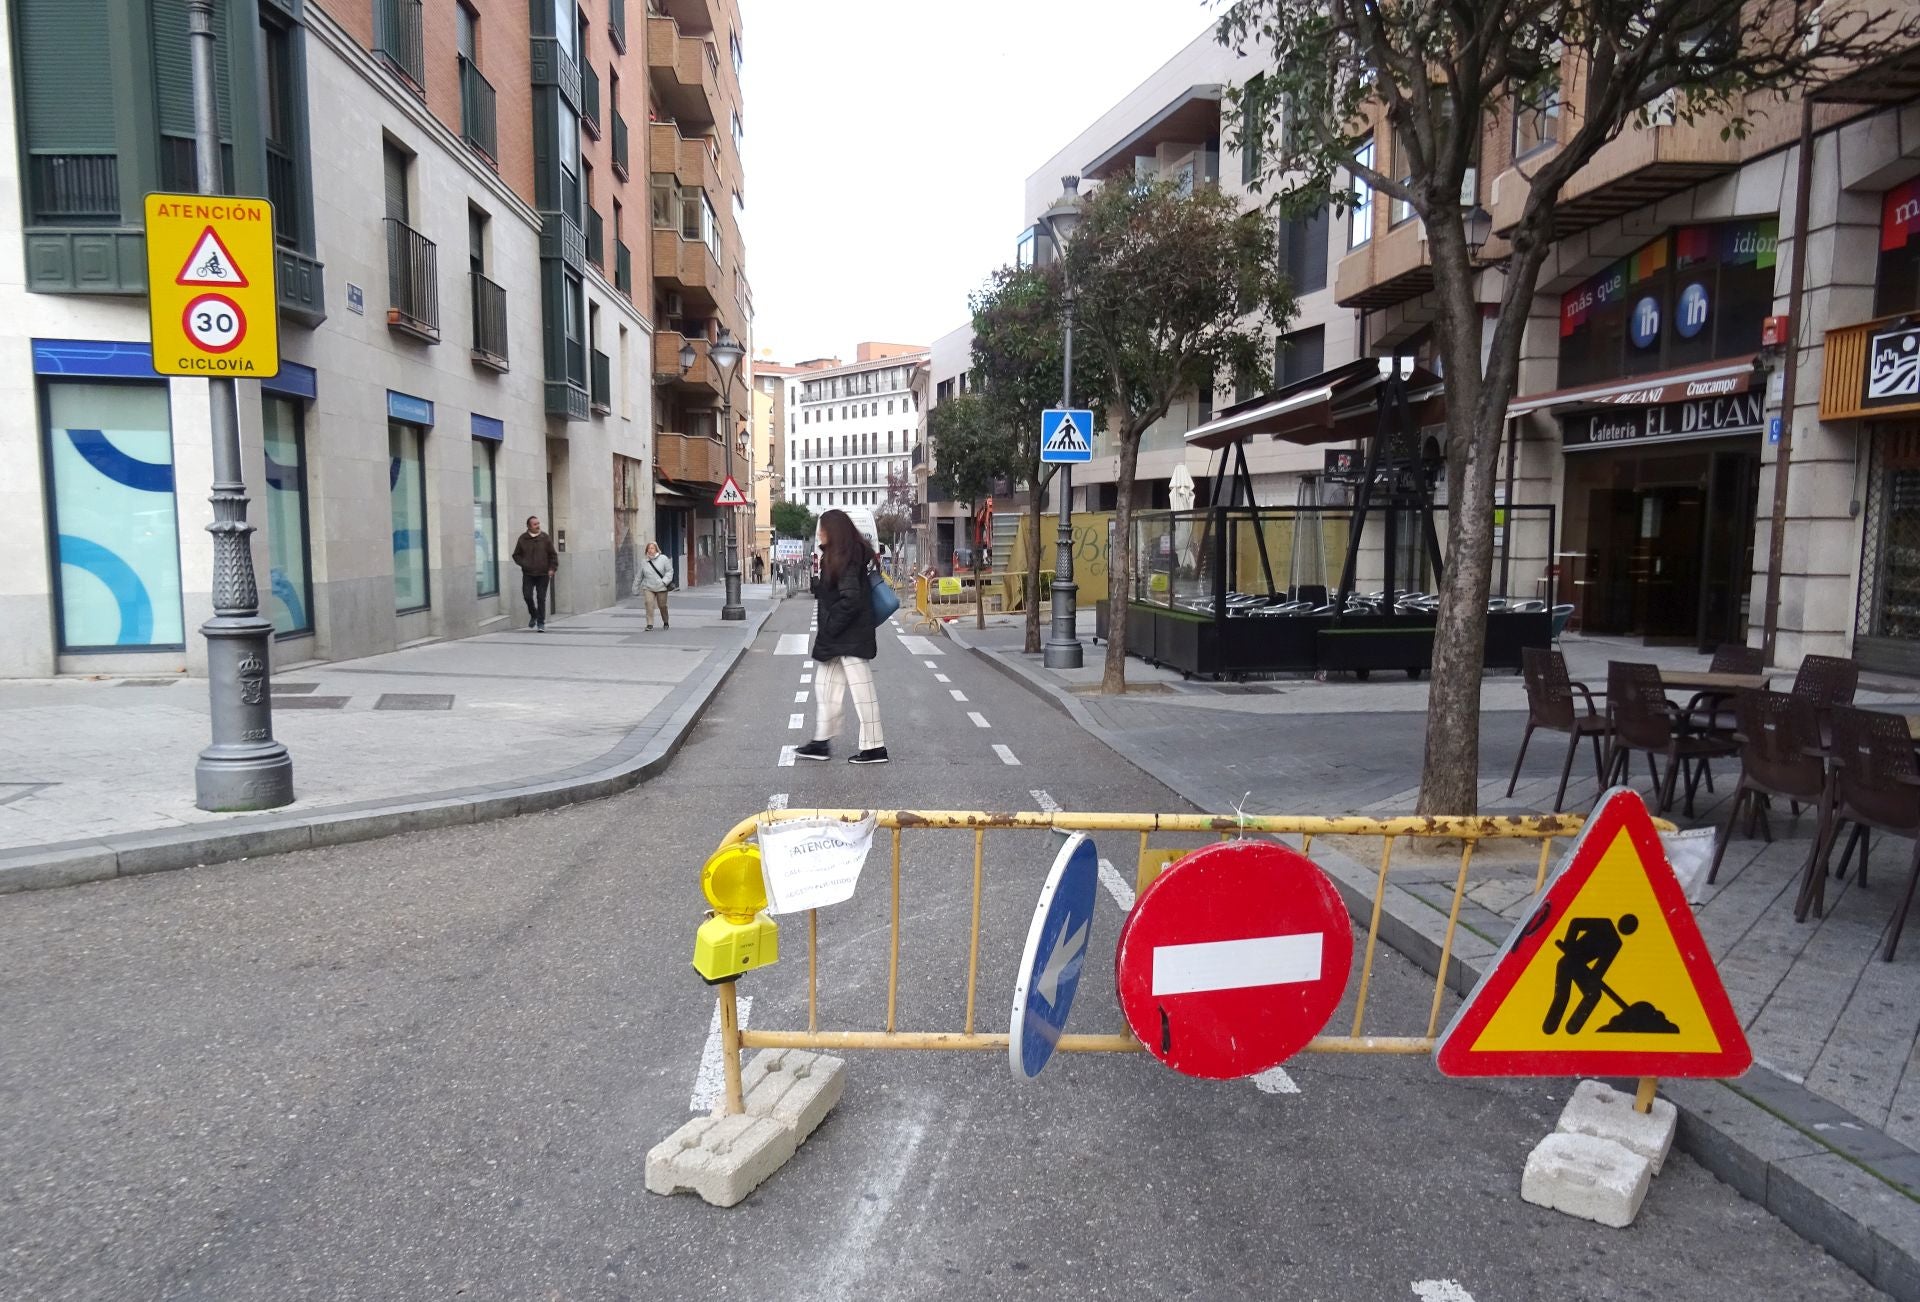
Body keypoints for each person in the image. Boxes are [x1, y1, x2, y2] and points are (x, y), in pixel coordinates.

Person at [795, 509, 887, 765]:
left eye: (822, 529)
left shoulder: (847, 557)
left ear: (833, 531)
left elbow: (851, 598)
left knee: (862, 692)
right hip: (838, 637)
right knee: (825, 688)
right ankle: (821, 742)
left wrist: (832, 624)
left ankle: (875, 747)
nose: (819, 533)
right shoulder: (837, 555)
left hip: (849, 635)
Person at [511, 515, 557, 632]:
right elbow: (516, 555)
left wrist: (552, 568)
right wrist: (524, 564)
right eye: (535, 524)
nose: (538, 526)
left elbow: (553, 555)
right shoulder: (523, 538)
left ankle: (541, 623)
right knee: (527, 596)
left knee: (541, 598)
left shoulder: (545, 538)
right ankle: (534, 614)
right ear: (529, 526)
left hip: (543, 574)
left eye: (538, 523)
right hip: (528, 574)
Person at [639, 540, 674, 630]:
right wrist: (635, 586)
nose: (650, 550)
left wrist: (664, 581)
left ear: (656, 549)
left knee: (662, 605)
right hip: (648, 587)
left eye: (652, 548)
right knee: (649, 604)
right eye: (649, 548)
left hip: (661, 587)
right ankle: (649, 624)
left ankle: (665, 621)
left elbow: (669, 571)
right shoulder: (644, 561)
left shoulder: (663, 558)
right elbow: (640, 575)